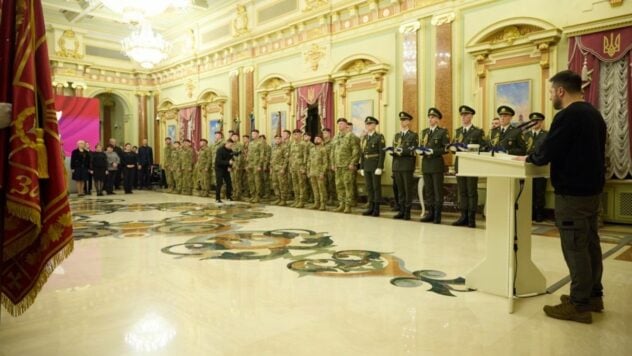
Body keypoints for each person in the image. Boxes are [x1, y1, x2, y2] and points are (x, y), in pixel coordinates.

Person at [517, 70, 606, 324]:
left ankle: (579, 305)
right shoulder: (594, 114)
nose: (550, 97)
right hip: (591, 191)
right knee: (590, 244)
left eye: (550, 92)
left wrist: (530, 158)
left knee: (575, 247)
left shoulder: (567, 116)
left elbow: (547, 151)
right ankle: (593, 296)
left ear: (560, 91)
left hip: (573, 193)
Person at [451, 105, 485, 228]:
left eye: (466, 115)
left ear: (471, 116)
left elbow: (483, 147)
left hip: (471, 165)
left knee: (471, 192)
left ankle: (471, 218)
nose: (463, 117)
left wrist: (471, 149)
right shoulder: (458, 131)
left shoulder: (477, 131)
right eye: (462, 115)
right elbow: (454, 147)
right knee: (462, 191)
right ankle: (463, 216)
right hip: (460, 164)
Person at [419, 108, 450, 224]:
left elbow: (446, 149)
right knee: (428, 191)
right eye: (429, 117)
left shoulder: (442, 132)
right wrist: (420, 151)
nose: (430, 119)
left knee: (437, 191)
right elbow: (422, 145)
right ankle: (430, 213)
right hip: (426, 164)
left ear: (437, 119)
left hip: (436, 164)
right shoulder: (424, 132)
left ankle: (437, 215)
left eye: (433, 117)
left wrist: (433, 151)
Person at [391, 112, 419, 220]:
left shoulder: (413, 135)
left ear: (408, 122)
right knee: (400, 190)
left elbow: (413, 150)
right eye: (401, 120)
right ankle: (401, 210)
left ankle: (407, 212)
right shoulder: (397, 135)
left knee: (407, 190)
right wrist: (393, 151)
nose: (402, 122)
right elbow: (394, 148)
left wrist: (402, 151)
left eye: (404, 120)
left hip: (407, 166)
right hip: (397, 166)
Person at [523, 112, 548, 222]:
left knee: (539, 191)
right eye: (533, 121)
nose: (535, 123)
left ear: (541, 122)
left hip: (540, 166)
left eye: (537, 121)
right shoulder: (526, 135)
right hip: (527, 165)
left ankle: (539, 213)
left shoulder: (546, 135)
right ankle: (530, 212)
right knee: (529, 190)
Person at [332, 118, 360, 214]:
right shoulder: (336, 137)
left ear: (346, 125)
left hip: (347, 166)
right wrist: (333, 163)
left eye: (341, 123)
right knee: (339, 185)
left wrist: (353, 163)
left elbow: (356, 150)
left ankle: (348, 205)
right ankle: (341, 204)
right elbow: (333, 151)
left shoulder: (350, 136)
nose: (339, 125)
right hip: (338, 166)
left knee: (348, 185)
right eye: (338, 123)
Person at [359, 116, 385, 217]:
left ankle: (376, 209)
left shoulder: (379, 137)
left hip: (375, 165)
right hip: (366, 165)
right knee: (369, 187)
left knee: (376, 187)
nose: (368, 126)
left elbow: (382, 153)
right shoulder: (365, 138)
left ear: (374, 125)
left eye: (370, 124)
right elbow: (362, 153)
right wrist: (361, 167)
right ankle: (370, 207)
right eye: (367, 124)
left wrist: (380, 167)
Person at [307, 135, 329, 210]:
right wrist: (308, 171)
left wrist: (322, 172)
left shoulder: (323, 149)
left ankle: (323, 204)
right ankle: (316, 203)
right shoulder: (312, 149)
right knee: (315, 189)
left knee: (321, 189)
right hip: (312, 172)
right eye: (315, 138)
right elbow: (309, 161)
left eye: (318, 139)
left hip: (319, 172)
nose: (316, 140)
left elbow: (325, 162)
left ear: (321, 140)